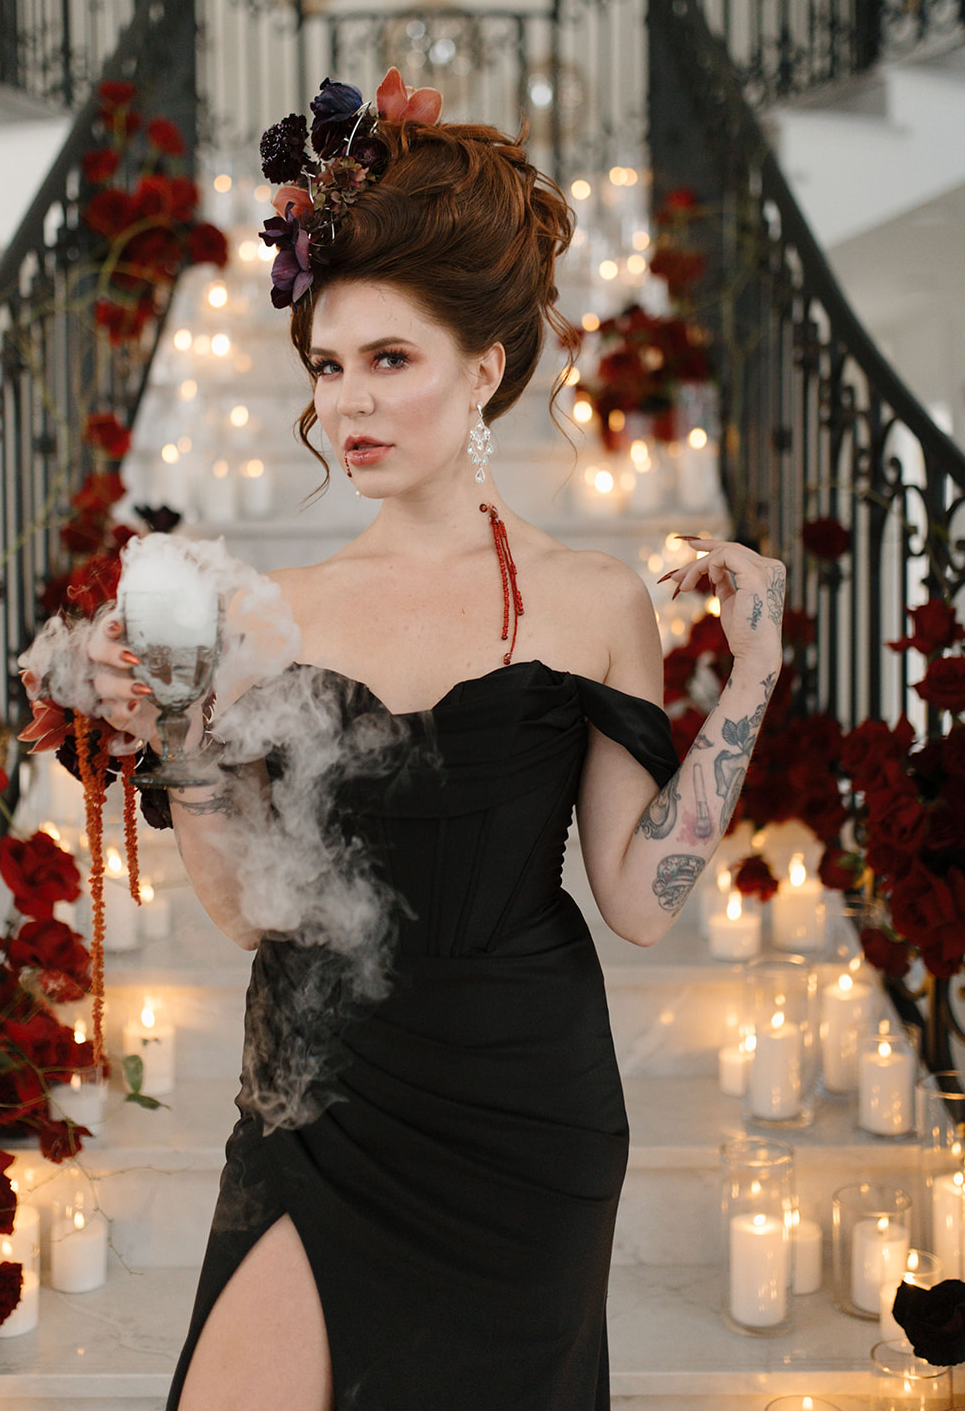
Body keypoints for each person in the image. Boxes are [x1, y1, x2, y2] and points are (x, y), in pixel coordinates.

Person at [87, 70, 786, 1411]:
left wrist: (750, 675)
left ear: (487, 369)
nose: (349, 403)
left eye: (390, 361)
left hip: (526, 1101)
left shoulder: (589, 600)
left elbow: (640, 898)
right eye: (330, 366)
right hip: (319, 1090)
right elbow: (245, 912)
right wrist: (173, 734)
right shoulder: (270, 617)